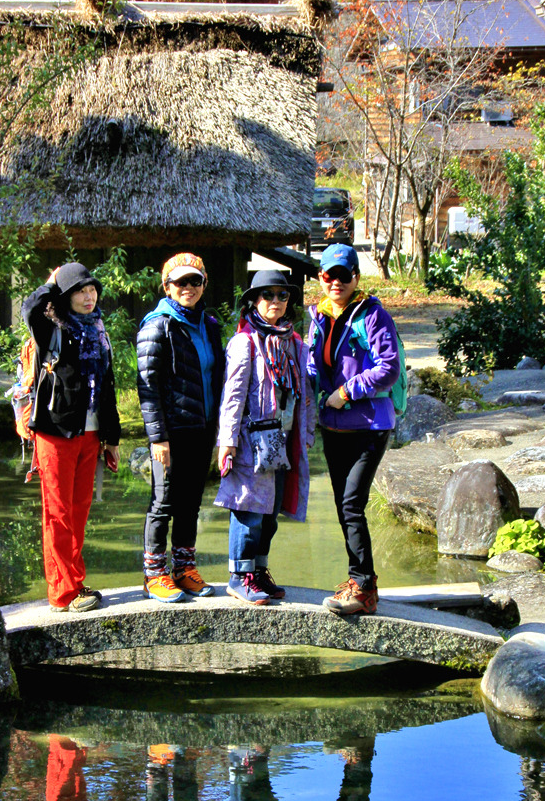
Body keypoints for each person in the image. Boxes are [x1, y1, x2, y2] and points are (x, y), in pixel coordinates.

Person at [307, 243, 400, 615]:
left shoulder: (373, 315)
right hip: (334, 427)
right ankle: (359, 581)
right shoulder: (319, 317)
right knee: (344, 507)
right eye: (329, 275)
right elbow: (314, 368)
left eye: (344, 275)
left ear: (356, 277)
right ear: (320, 277)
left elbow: (388, 368)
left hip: (370, 424)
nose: (336, 282)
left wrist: (347, 391)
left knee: (351, 504)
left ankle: (363, 588)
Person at [22, 262, 121, 613]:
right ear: (65, 296)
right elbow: (29, 309)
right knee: (58, 513)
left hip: (90, 435)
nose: (89, 296)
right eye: (80, 290)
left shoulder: (98, 330)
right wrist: (51, 282)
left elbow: (107, 386)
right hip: (56, 432)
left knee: (79, 512)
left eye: (92, 289)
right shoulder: (50, 328)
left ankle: (75, 582)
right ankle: (62, 593)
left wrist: (112, 438)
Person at [216, 270, 315, 604]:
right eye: (267, 295)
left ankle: (258, 571)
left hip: (283, 439)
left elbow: (306, 394)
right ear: (254, 301)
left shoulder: (294, 342)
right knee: (248, 509)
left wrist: (307, 433)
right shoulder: (244, 342)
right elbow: (233, 395)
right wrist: (227, 441)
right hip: (251, 439)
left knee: (270, 513)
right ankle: (239, 576)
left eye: (282, 295)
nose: (275, 301)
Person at [136, 252, 224, 603]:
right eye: (180, 282)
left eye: (195, 281)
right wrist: (158, 437)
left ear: (204, 284)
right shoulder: (158, 326)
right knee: (163, 501)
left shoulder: (209, 325)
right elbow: (148, 387)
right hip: (171, 433)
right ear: (167, 286)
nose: (188, 287)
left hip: (202, 428)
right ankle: (154, 574)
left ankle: (184, 568)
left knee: (191, 502)